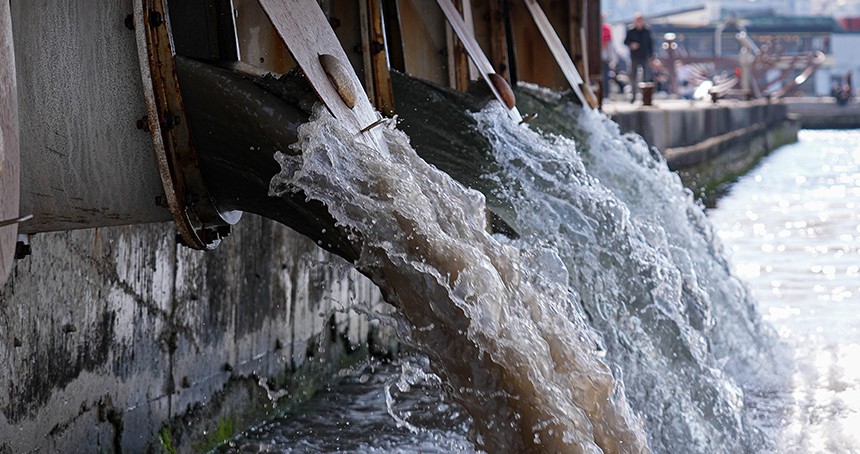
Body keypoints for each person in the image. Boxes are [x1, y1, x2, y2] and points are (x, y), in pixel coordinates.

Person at [624, 12, 654, 103]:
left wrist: (652, 56)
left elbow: (651, 44)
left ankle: (645, 97)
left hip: (645, 56)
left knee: (646, 76)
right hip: (634, 57)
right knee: (633, 77)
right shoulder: (631, 30)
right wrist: (631, 45)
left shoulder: (647, 31)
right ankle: (633, 96)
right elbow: (625, 41)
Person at [601, 14, 615, 99]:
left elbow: (608, 42)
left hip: (605, 53)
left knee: (606, 75)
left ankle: (606, 94)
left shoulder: (607, 28)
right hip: (596, 53)